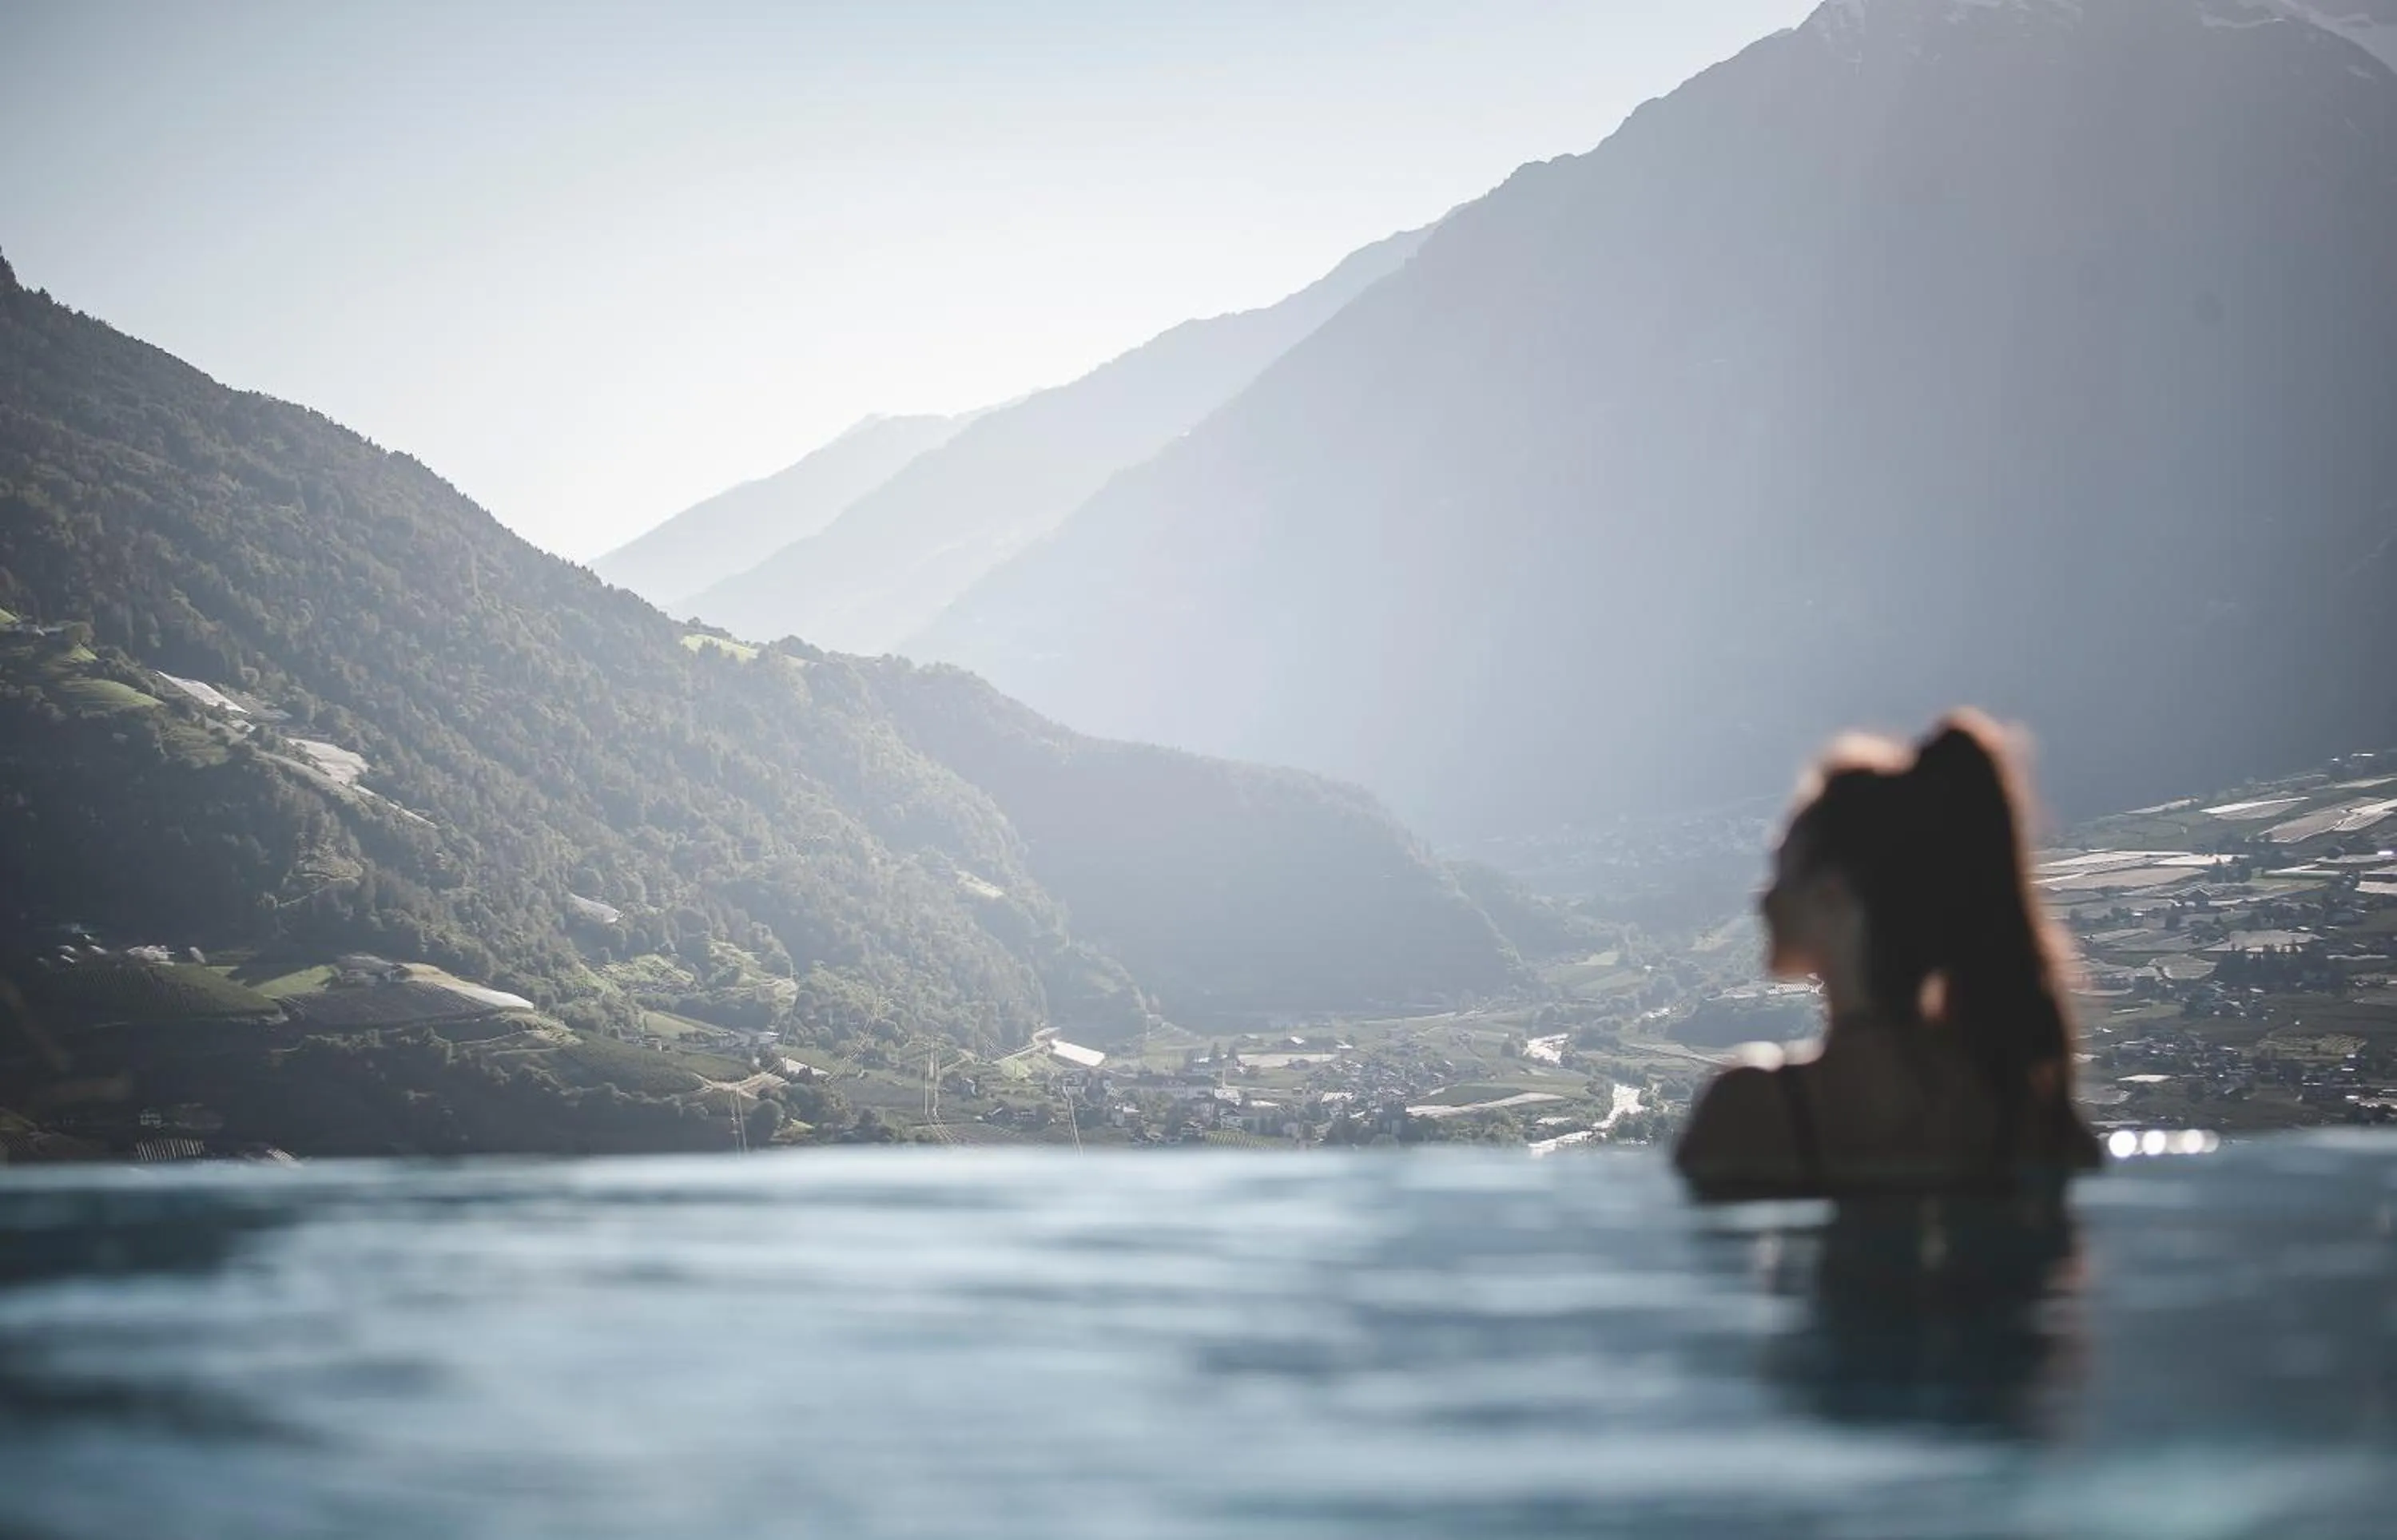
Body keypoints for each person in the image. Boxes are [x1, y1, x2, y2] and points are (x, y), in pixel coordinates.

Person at [1676, 710, 2104, 1198]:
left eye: (1781, 871)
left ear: (1832, 899)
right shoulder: (2030, 1115)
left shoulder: (1753, 1109)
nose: (1764, 898)